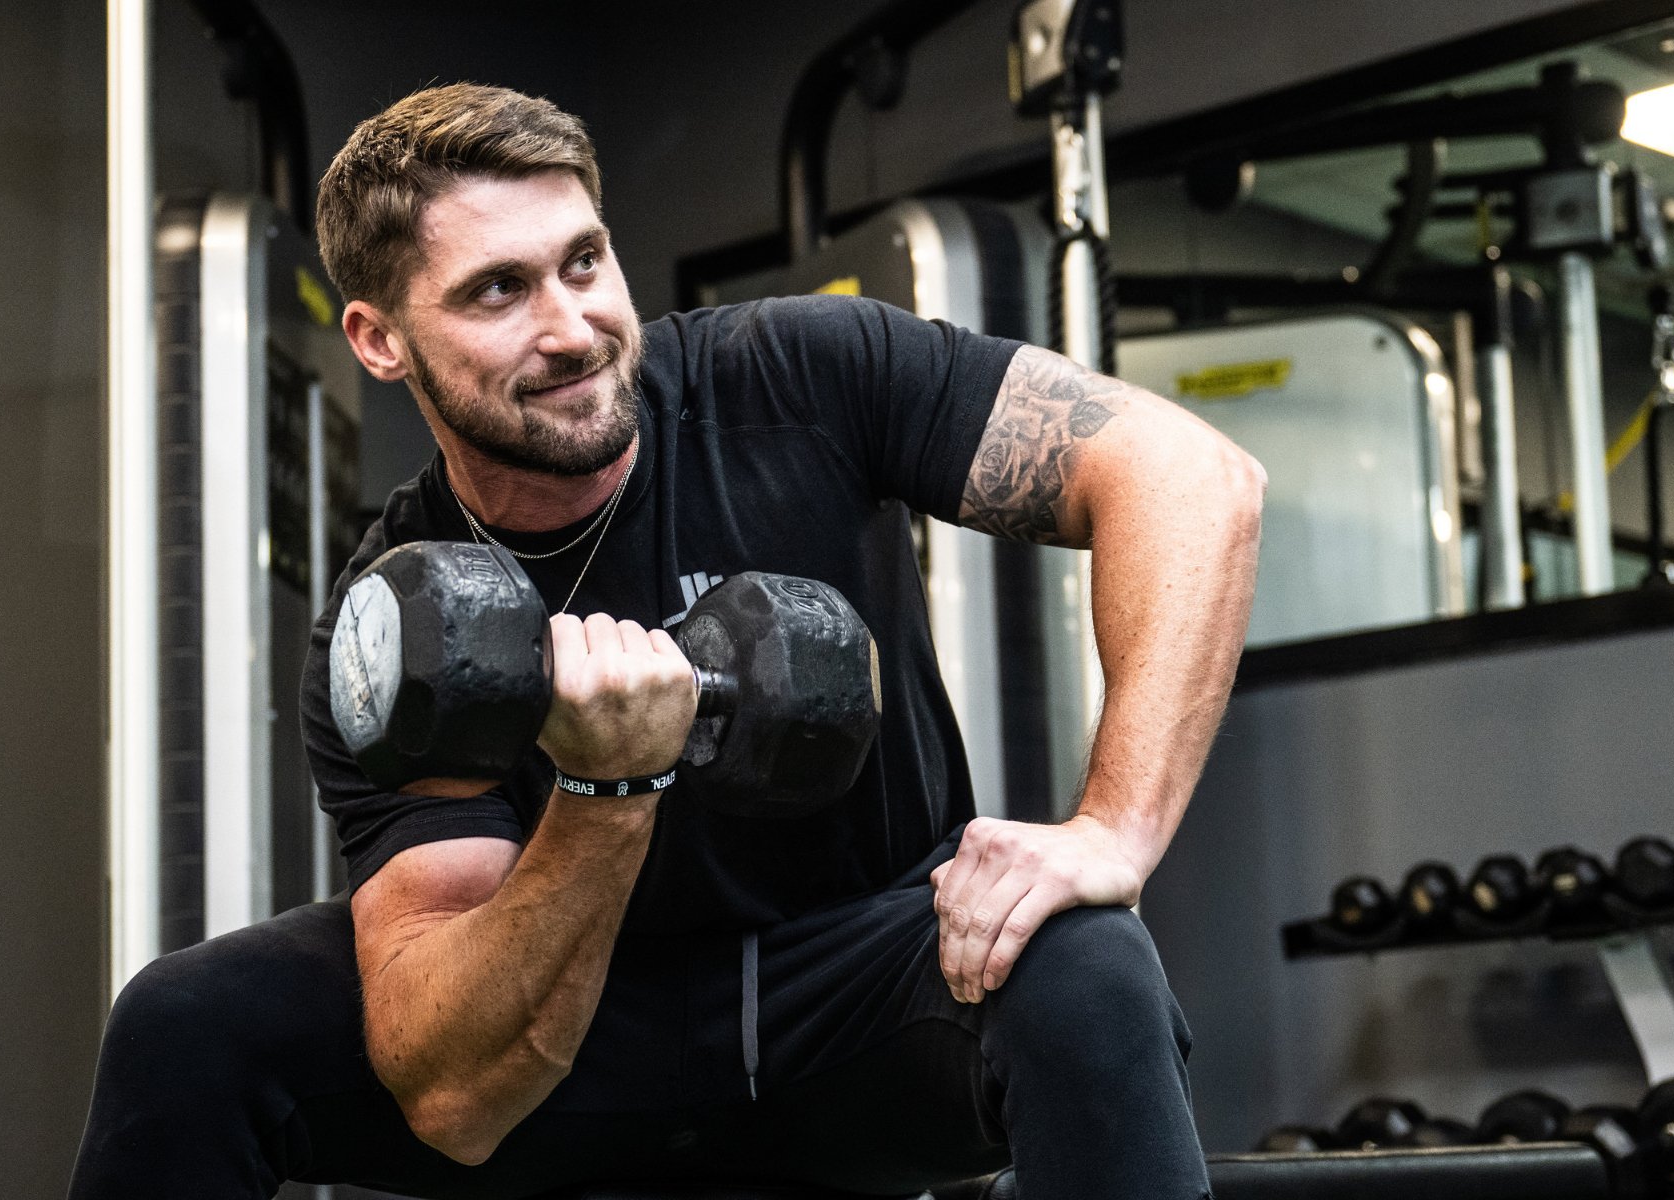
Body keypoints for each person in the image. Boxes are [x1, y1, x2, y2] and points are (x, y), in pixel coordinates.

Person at [69, 83, 1264, 1200]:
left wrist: (1112, 830)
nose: (574, 327)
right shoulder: (386, 628)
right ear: (380, 340)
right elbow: (458, 1101)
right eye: (498, 291)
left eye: (584, 262)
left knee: (1086, 961)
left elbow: (1188, 478)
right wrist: (604, 791)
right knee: (187, 1024)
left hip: (862, 1004)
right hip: (578, 1049)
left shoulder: (798, 374)